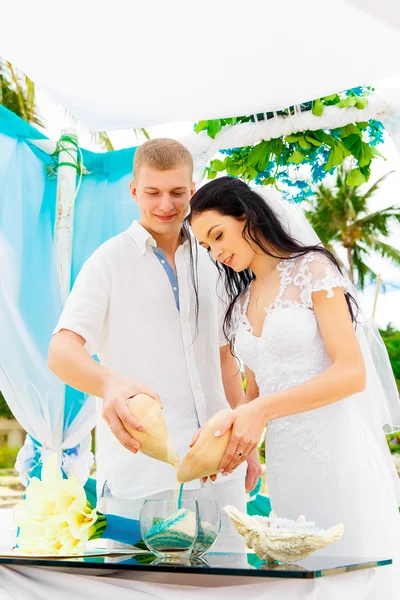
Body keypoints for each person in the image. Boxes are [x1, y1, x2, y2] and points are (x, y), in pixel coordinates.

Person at [188, 176, 400, 589]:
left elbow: (351, 373)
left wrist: (259, 410)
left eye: (218, 235)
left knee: (352, 580)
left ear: (247, 217)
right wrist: (230, 442)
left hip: (336, 453)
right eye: (206, 246)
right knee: (299, 580)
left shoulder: (313, 270)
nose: (216, 251)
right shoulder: (240, 304)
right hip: (286, 466)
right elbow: (255, 394)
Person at [48, 140, 261, 550]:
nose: (166, 204)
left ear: (193, 190)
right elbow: (61, 351)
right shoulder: (107, 261)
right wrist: (109, 383)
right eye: (153, 192)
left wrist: (247, 445)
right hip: (141, 479)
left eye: (178, 193)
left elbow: (224, 360)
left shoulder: (216, 257)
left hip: (221, 473)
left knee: (235, 591)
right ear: (133, 191)